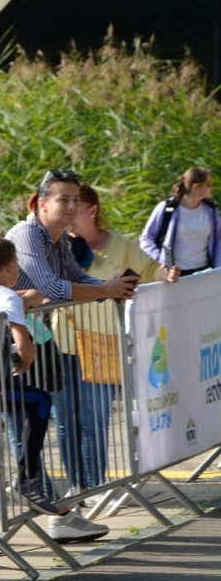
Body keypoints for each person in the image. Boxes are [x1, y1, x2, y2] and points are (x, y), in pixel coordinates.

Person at [7, 169, 138, 542]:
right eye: (62, 199)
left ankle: (58, 511)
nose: (70, 206)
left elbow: (75, 275)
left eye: (75, 200)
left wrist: (113, 287)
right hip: (7, 342)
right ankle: (4, 523)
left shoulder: (59, 238)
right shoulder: (27, 234)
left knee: (37, 420)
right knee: (21, 430)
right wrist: (104, 290)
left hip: (36, 338)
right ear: (41, 203)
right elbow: (50, 287)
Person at [64, 182, 178, 489]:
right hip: (63, 343)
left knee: (96, 420)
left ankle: (96, 484)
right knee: (67, 421)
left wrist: (167, 274)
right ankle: (77, 488)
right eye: (67, 206)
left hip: (103, 344)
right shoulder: (57, 245)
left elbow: (151, 268)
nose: (70, 214)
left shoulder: (120, 244)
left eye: (77, 207)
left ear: (93, 210)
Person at [0, 235, 62, 516]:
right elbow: (24, 344)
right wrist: (27, 362)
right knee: (41, 401)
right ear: (9, 266)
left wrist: (26, 298)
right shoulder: (7, 297)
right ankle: (27, 480)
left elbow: (25, 297)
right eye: (16, 264)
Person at [139, 166, 221, 276]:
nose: (212, 187)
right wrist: (160, 260)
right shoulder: (167, 208)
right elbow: (146, 238)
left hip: (205, 272)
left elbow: (219, 240)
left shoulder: (211, 210)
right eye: (208, 184)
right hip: (174, 275)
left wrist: (218, 268)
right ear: (196, 187)